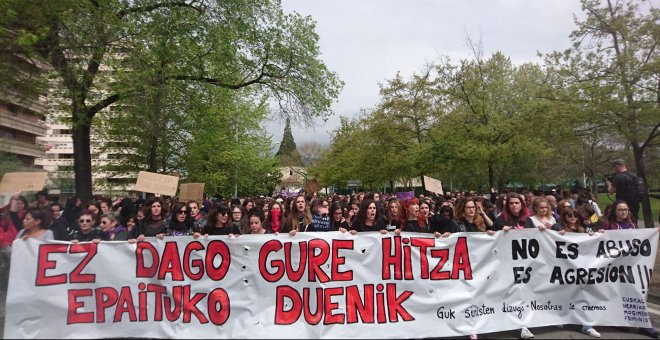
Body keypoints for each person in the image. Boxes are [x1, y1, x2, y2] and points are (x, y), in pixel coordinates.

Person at [598, 200, 659, 338]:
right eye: (620, 210)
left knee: (636, 293)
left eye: (625, 209)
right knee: (615, 293)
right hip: (613, 267)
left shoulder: (632, 225)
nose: (623, 212)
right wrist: (600, 234)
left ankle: (644, 325)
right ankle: (619, 320)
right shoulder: (608, 225)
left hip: (631, 266)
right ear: (615, 211)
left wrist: (652, 233)